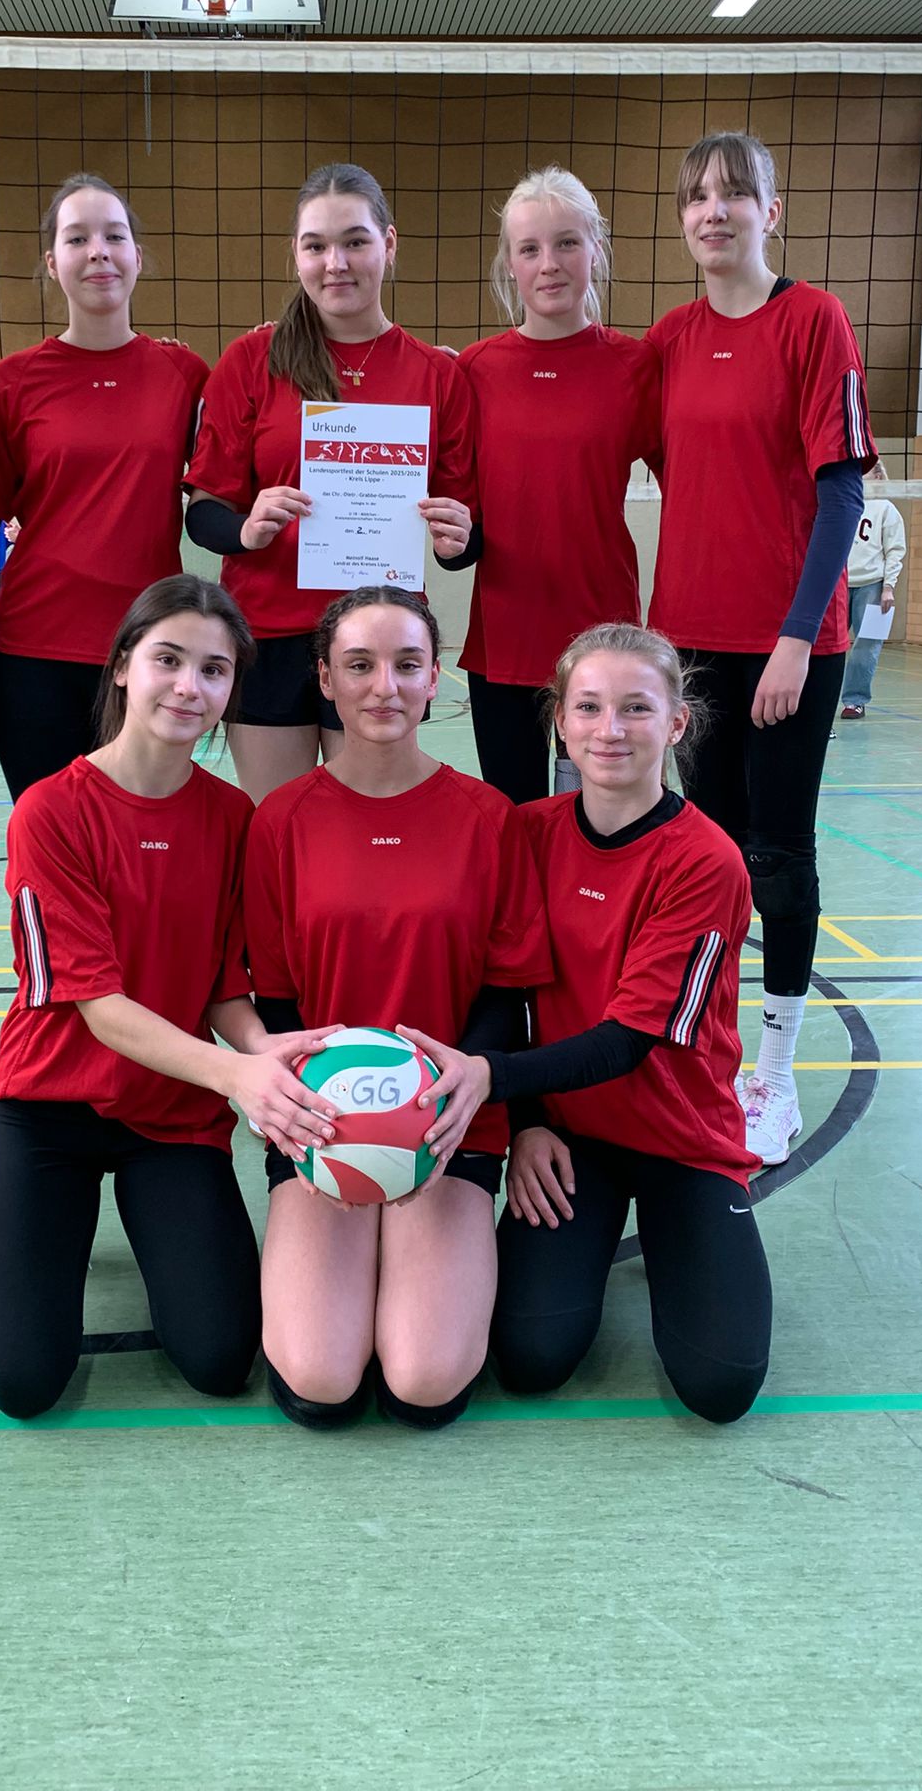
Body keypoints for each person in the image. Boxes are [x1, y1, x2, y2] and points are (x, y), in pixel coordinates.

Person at [0, 575, 339, 1419]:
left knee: (221, 1358)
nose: (188, 686)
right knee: (23, 1385)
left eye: (213, 670)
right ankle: (51, 1225)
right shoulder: (49, 812)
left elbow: (223, 983)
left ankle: (153, 1224)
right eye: (168, 660)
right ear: (123, 666)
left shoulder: (234, 817)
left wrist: (264, 1050)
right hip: (51, 1107)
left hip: (171, 1114)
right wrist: (236, 1075)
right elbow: (98, 1005)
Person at [402, 625, 769, 1425]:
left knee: (721, 1385)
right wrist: (528, 1122)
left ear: (676, 723)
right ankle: (593, 1243)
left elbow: (629, 1040)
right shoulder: (528, 833)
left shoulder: (705, 861)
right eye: (590, 707)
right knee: (530, 1358)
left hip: (682, 1141)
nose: (611, 730)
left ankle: (684, 1231)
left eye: (636, 708)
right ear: (560, 723)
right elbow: (505, 991)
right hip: (573, 1141)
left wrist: (491, 1079)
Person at [244, 586, 550, 1431]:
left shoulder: (489, 818)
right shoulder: (280, 821)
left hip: (450, 1123)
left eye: (407, 664)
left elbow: (509, 993)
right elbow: (276, 1002)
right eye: (359, 665)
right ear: (324, 679)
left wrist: (452, 1101)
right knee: (320, 1379)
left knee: (423, 1380)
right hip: (323, 1122)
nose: (384, 686)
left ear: (434, 678)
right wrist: (315, 1116)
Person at [646, 131, 876, 1167]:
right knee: (709, 859)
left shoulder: (813, 319)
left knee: (779, 857)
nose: (714, 209)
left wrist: (793, 638)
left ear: (769, 212)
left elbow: (842, 494)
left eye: (734, 193)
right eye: (697, 196)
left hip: (791, 647)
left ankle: (773, 1073)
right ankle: (713, 1051)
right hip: (689, 648)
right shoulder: (669, 340)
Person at [185, 162, 479, 805]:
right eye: (316, 245)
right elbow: (204, 513)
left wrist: (458, 538)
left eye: (355, 241)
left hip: (382, 639)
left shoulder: (437, 375)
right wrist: (246, 528)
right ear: (296, 254)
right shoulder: (251, 362)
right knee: (278, 830)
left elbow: (463, 538)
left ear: (389, 244)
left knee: (367, 832)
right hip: (268, 634)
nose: (335, 263)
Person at [0, 174, 210, 800]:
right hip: (36, 650)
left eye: (114, 236)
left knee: (142, 832)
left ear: (137, 254)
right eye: (77, 238)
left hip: (150, 648)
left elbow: (253, 456)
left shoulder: (184, 373)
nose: (98, 252)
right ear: (52, 262)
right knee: (50, 831)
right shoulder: (9, 383)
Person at [459, 166, 658, 805]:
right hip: (505, 639)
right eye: (530, 248)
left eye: (567, 243)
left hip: (603, 636)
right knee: (515, 819)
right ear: (510, 265)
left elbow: (701, 485)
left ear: (595, 250)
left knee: (601, 814)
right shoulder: (474, 371)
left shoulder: (636, 367)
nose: (549, 264)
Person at [840, 459, 906, 720]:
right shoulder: (844, 502)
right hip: (839, 586)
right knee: (826, 647)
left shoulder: (887, 509)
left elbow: (895, 551)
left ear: (877, 476)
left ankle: (855, 701)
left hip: (875, 586)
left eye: (864, 472)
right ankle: (816, 703)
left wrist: (889, 587)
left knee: (868, 647)